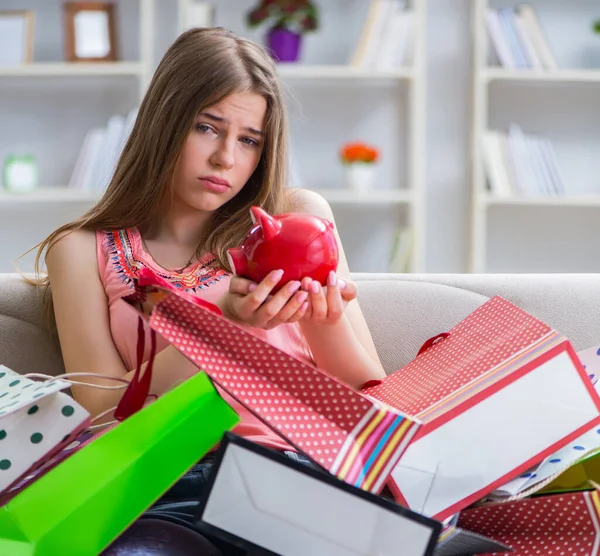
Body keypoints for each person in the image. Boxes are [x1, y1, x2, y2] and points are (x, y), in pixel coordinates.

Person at [33, 27, 386, 555]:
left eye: (249, 140)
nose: (226, 157)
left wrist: (320, 316)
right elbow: (102, 409)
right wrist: (223, 327)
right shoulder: (83, 250)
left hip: (292, 474)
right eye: (207, 127)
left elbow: (368, 393)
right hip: (159, 481)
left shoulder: (298, 220)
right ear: (164, 123)